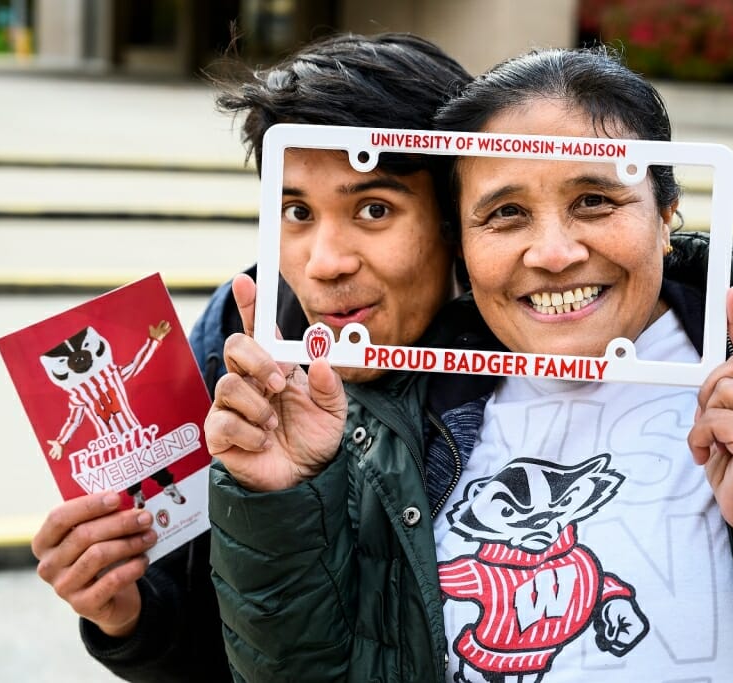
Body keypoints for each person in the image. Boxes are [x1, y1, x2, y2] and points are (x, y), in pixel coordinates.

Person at [207, 46, 733, 683]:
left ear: (667, 212)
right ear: (462, 241)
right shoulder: (395, 408)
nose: (551, 251)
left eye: (594, 200)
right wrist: (277, 506)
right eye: (506, 213)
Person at [28, 32, 471, 682]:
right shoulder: (232, 344)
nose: (324, 263)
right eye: (296, 210)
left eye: (374, 209)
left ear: (455, 215)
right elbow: (209, 648)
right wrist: (126, 613)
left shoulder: (529, 366)